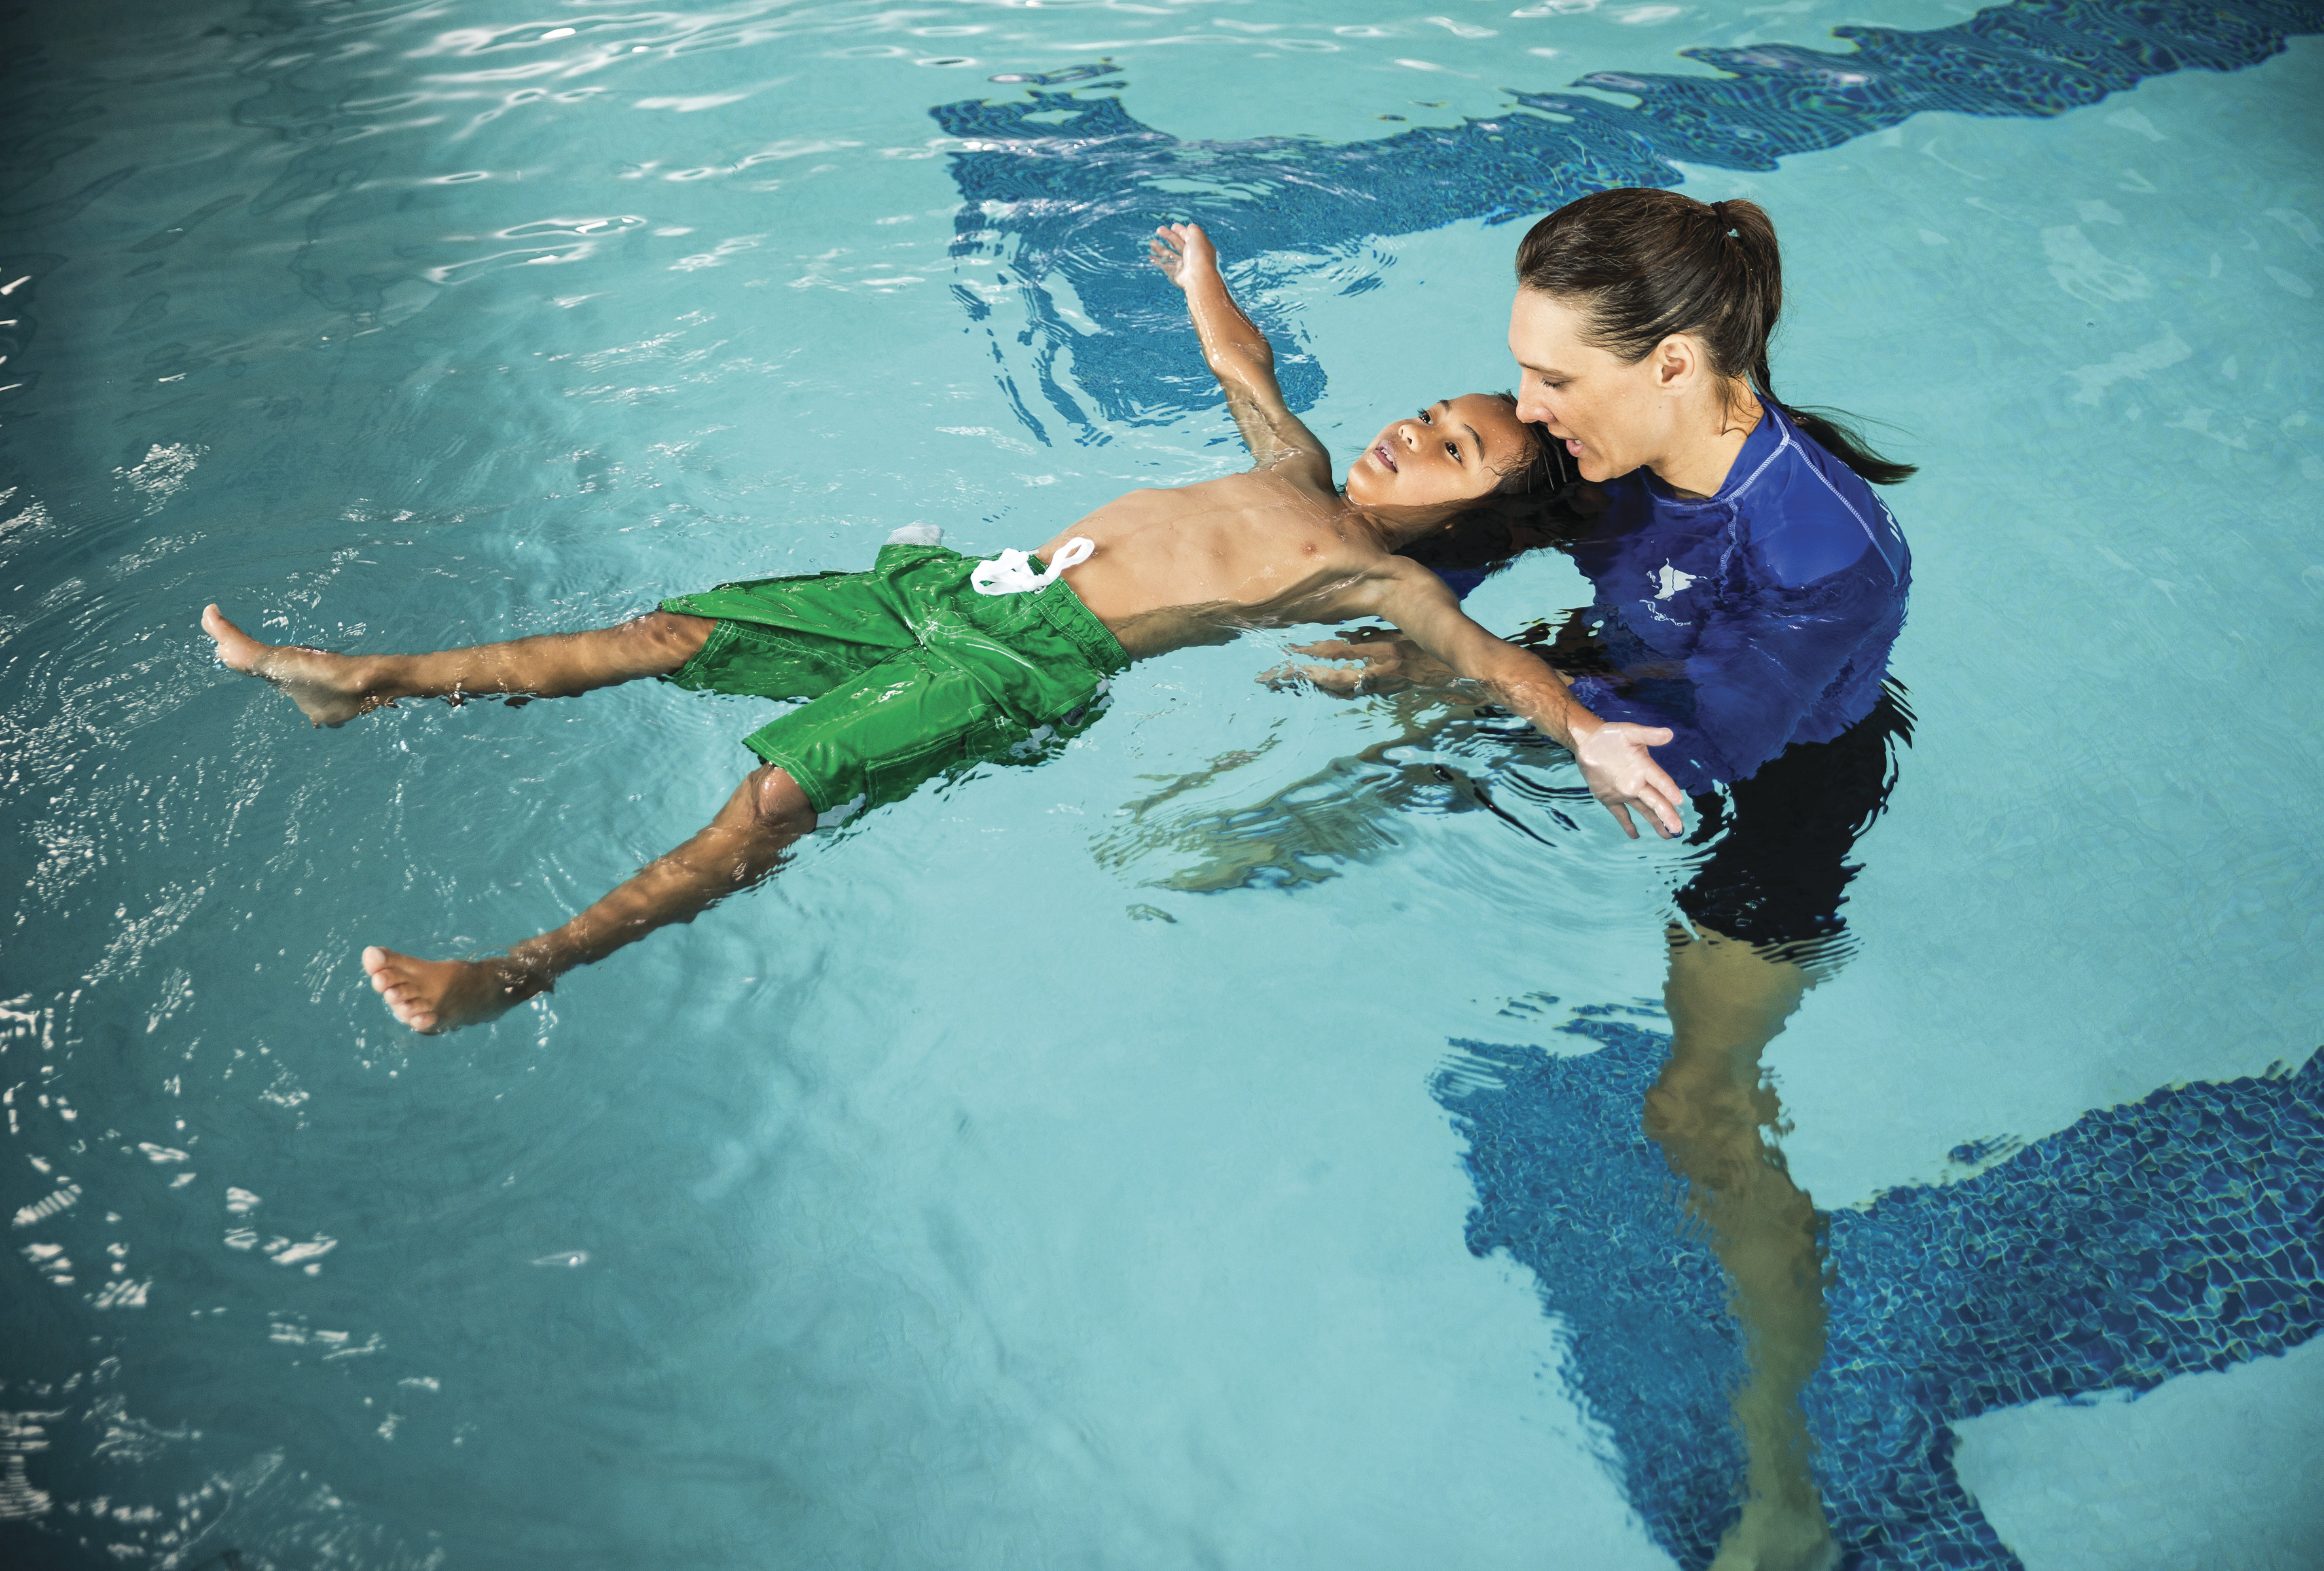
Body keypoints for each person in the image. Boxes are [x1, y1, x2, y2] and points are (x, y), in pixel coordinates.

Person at [200, 222, 1687, 1036]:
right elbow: (1245, 371)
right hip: (963, 588)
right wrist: (1204, 280)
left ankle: (511, 975)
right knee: (670, 632)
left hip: (1026, 664)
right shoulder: (1296, 468)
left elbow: (1496, 663)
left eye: (1448, 454)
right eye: (1427, 415)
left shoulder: (1382, 585)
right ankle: (366, 682)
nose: (1406, 440)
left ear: (1473, 518)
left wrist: (1587, 730)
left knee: (770, 801)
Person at [1284, 188, 1914, 1571]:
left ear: (1674, 364)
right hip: (1625, 669)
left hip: (1780, 780)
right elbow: (1441, 523)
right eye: (1522, 371)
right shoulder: (1612, 442)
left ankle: (1784, 1492)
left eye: (1555, 377)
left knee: (1697, 1114)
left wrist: (1480, 674)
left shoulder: (1824, 555)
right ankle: (1267, 847)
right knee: (1387, 708)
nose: (1532, 402)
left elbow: (1711, 751)